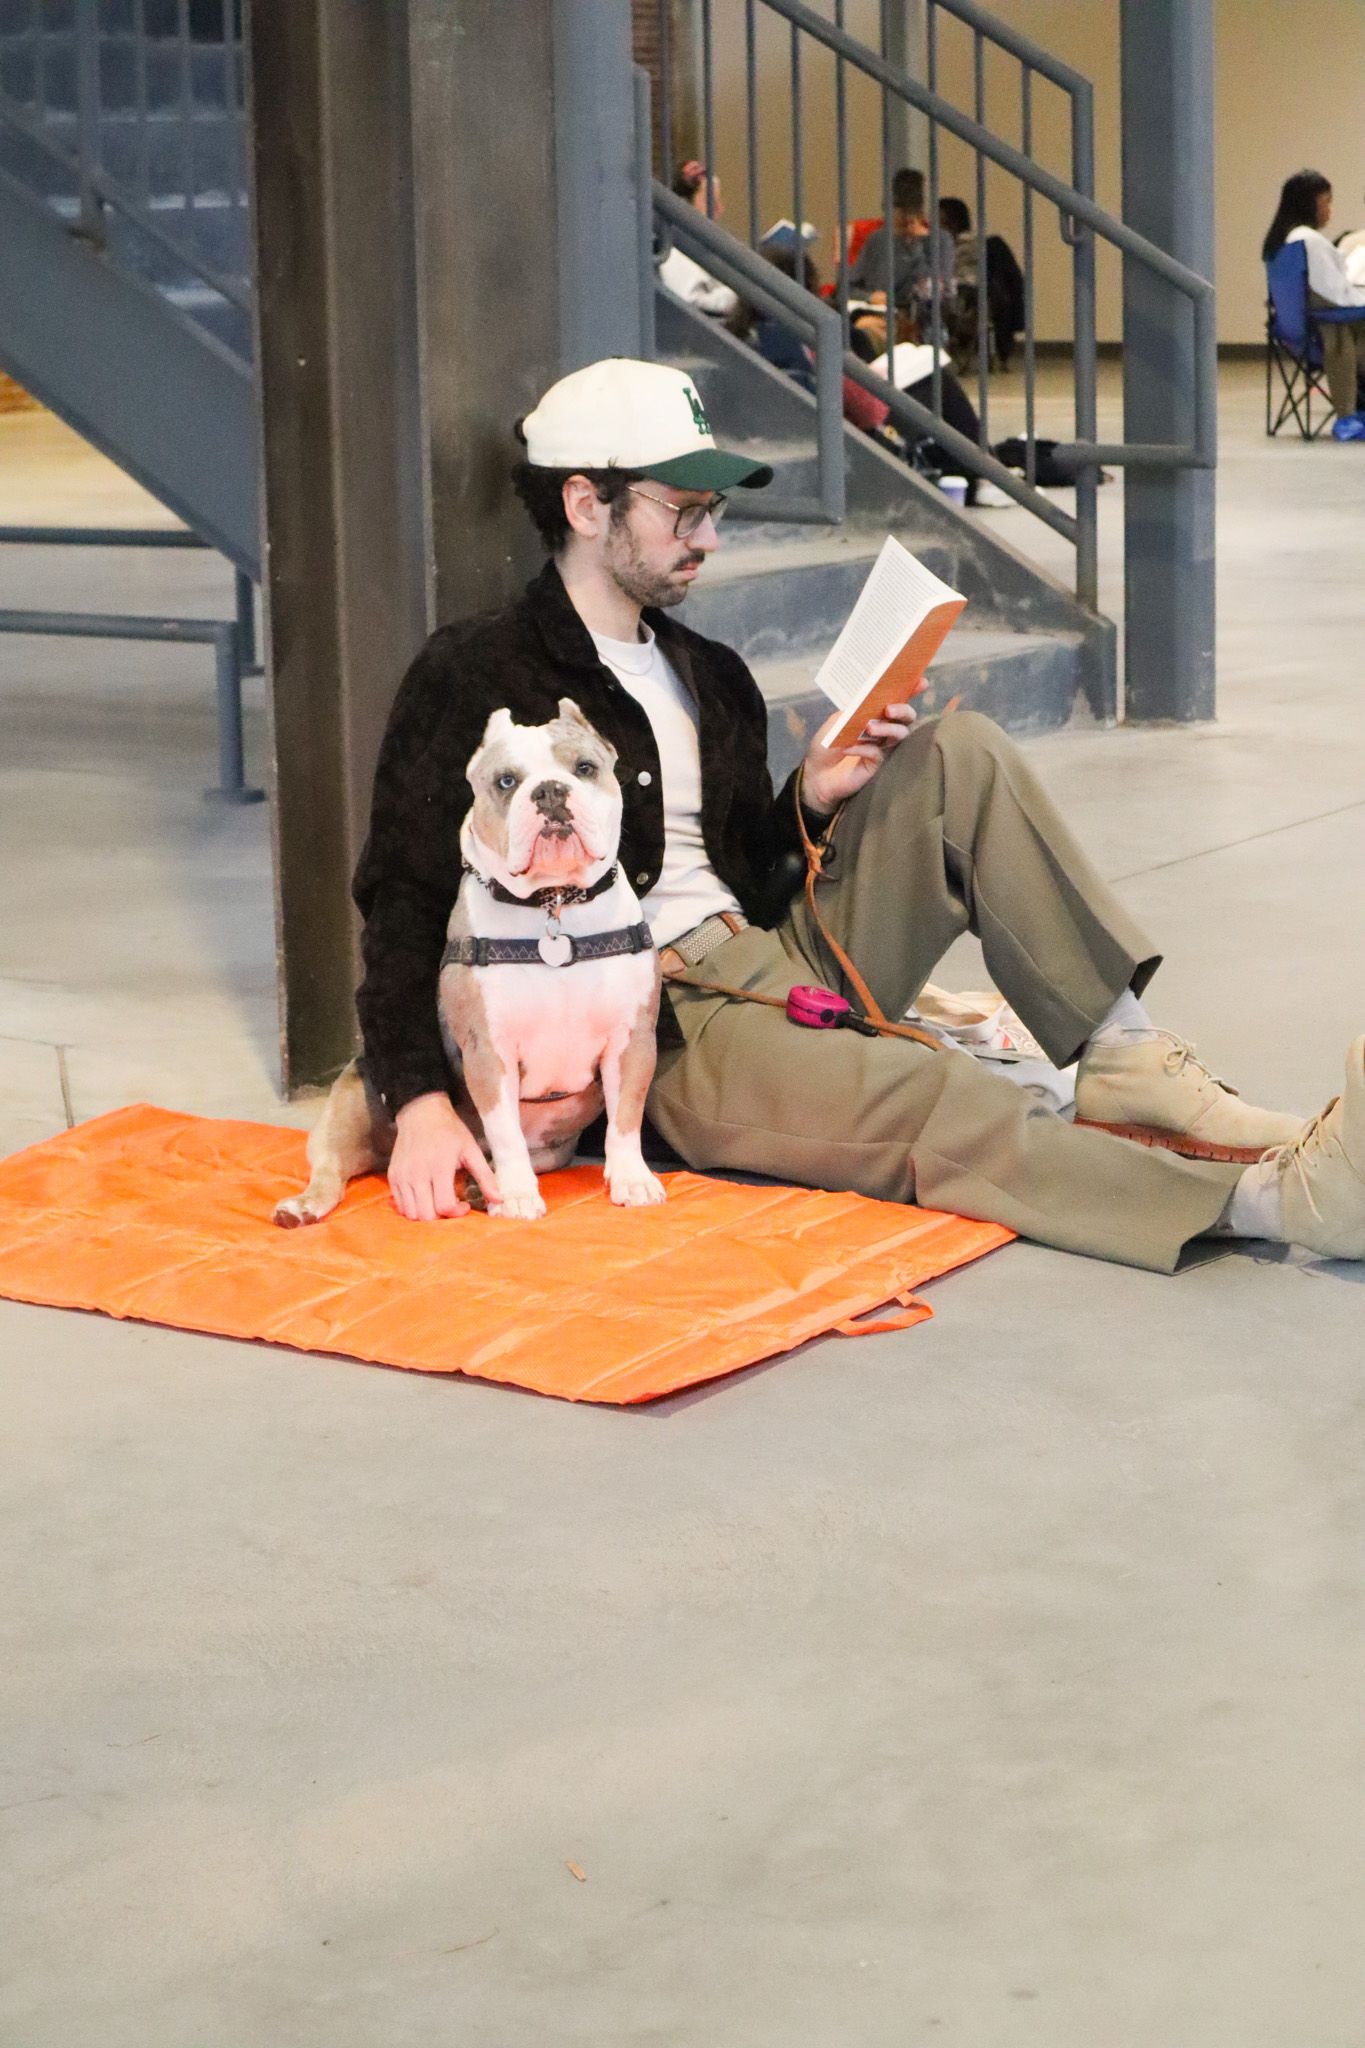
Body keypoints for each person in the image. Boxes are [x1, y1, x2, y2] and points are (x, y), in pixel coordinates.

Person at [352, 355, 1365, 1268]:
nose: (707, 536)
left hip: (771, 949)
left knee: (957, 754)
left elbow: (745, 867)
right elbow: (400, 903)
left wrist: (814, 794)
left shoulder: (710, 673)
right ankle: (1268, 1202)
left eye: (715, 511)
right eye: (683, 509)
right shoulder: (475, 673)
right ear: (585, 503)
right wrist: (420, 1099)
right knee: (931, 1094)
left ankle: (1121, 1052)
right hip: (662, 1025)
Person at [1262, 169, 1365, 424]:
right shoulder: (1309, 241)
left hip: (1295, 336)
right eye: (1327, 201)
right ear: (1312, 203)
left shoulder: (1280, 241)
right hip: (1323, 338)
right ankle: (1352, 414)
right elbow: (1337, 296)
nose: (1330, 209)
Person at [848, 168, 955, 318]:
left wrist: (917, 246)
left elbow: (935, 293)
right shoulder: (877, 240)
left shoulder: (940, 241)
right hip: (877, 313)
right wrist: (869, 297)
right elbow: (846, 287)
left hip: (921, 317)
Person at [657, 160, 740, 319]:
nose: (719, 209)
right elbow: (692, 302)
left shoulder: (707, 243)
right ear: (684, 204)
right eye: (711, 201)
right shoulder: (674, 250)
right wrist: (739, 297)